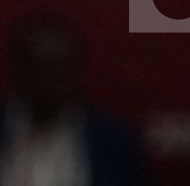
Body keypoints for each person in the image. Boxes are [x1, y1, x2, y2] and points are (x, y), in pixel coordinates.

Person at [0, 16, 147, 186]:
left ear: (76, 72)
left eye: (60, 70)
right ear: (20, 71)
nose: (50, 81)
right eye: (40, 68)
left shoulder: (113, 141)